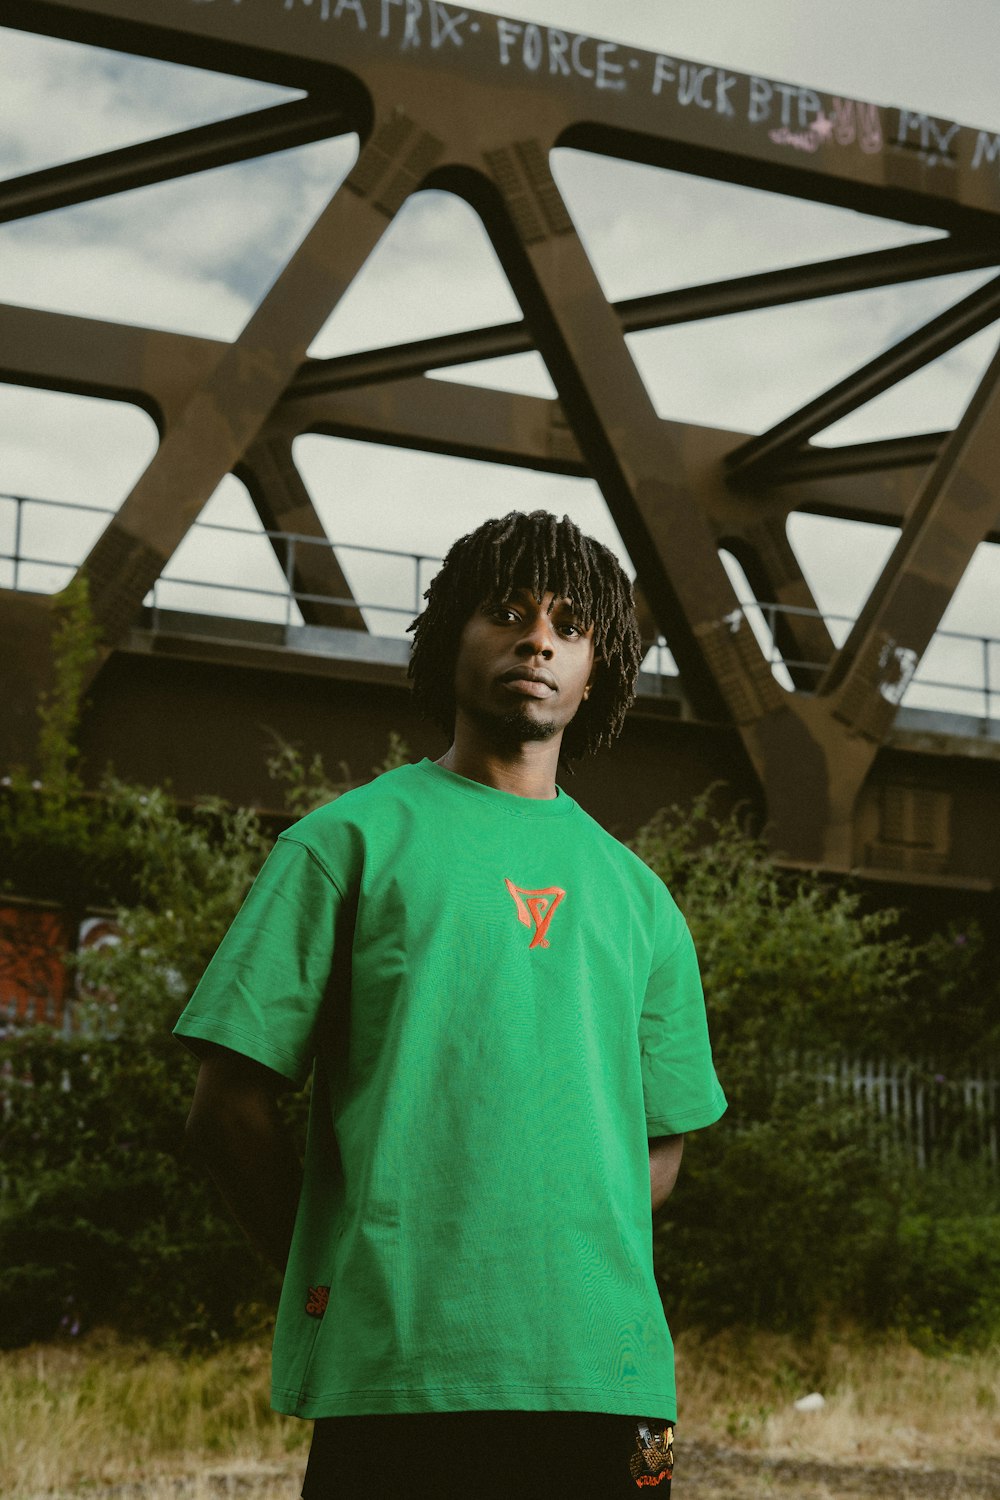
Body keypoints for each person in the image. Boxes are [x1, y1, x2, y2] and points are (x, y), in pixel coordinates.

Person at [175, 510, 726, 1498]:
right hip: (401, 1369)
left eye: (570, 624)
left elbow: (658, 1148)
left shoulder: (641, 901)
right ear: (446, 643)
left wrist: (542, 1246)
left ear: (597, 670)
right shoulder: (343, 845)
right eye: (507, 612)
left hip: (602, 1373)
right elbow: (228, 1109)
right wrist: (335, 1266)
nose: (538, 638)